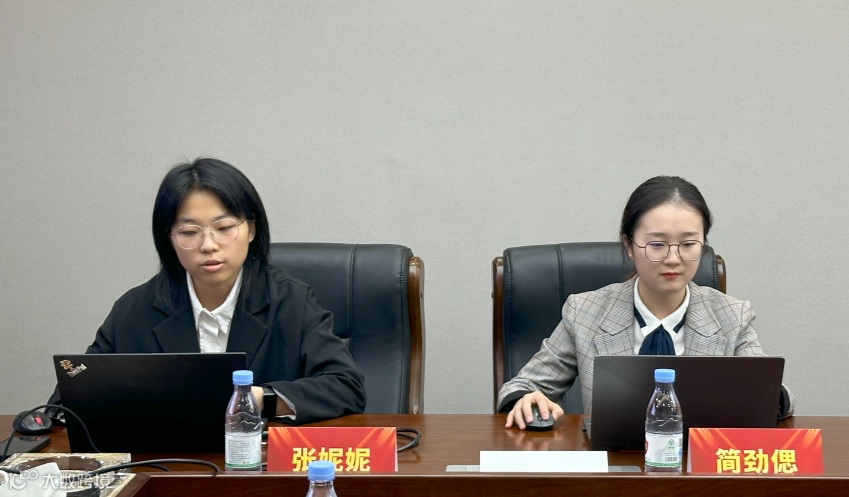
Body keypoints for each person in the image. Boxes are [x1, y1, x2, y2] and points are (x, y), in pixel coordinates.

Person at [48, 158, 366, 424]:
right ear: (169, 239)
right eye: (189, 232)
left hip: (259, 465)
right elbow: (70, 398)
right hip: (167, 466)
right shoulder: (135, 309)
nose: (208, 245)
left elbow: (346, 387)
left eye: (224, 228)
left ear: (251, 229)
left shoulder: (292, 301)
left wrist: (259, 399)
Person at [498, 176, 795, 430]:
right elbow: (522, 386)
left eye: (688, 244)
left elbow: (776, 394)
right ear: (629, 245)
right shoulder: (585, 312)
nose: (673, 258)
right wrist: (525, 399)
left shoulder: (732, 315)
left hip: (698, 468)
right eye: (657, 244)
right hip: (612, 465)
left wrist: (767, 396)